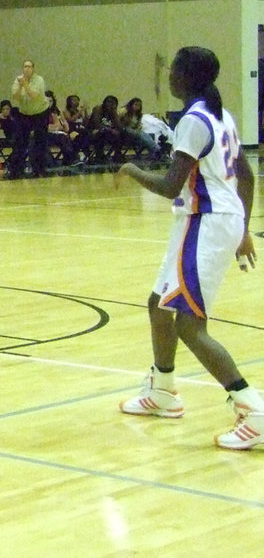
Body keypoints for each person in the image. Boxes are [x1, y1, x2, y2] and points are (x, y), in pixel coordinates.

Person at [117, 46, 264, 450]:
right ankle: (163, 389)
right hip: (211, 221)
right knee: (158, 302)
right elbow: (247, 176)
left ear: (185, 77)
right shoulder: (222, 116)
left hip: (206, 222)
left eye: (173, 70)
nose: (168, 76)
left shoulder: (195, 121)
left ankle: (253, 408)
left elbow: (168, 186)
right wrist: (244, 228)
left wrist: (131, 170)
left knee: (189, 324)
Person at [8, 59, 49, 179]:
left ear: (33, 69)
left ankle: (39, 170)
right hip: (25, 113)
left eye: (29, 67)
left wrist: (25, 84)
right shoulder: (18, 80)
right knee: (20, 141)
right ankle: (16, 170)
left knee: (39, 142)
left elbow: (34, 96)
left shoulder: (39, 80)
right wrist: (20, 86)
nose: (27, 69)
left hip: (40, 112)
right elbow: (15, 97)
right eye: (25, 67)